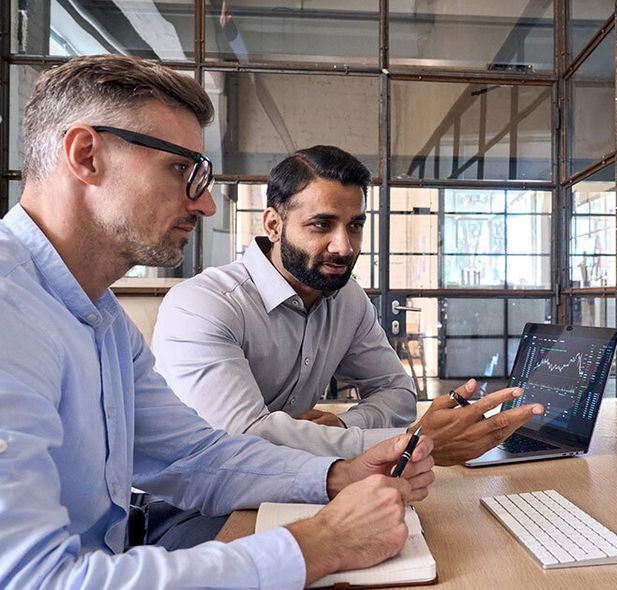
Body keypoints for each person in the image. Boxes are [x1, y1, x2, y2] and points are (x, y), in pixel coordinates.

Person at [0, 54, 436, 589]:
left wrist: (337, 473)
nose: (206, 204)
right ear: (86, 155)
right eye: (181, 169)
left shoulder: (101, 319)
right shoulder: (9, 309)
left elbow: (194, 456)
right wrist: (319, 545)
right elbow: (35, 580)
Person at [152, 146, 545, 463]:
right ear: (273, 225)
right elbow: (243, 440)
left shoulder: (347, 297)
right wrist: (411, 441)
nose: (345, 247)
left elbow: (397, 391)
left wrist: (342, 429)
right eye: (321, 225)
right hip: (189, 505)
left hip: (294, 483)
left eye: (355, 225)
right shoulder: (203, 305)